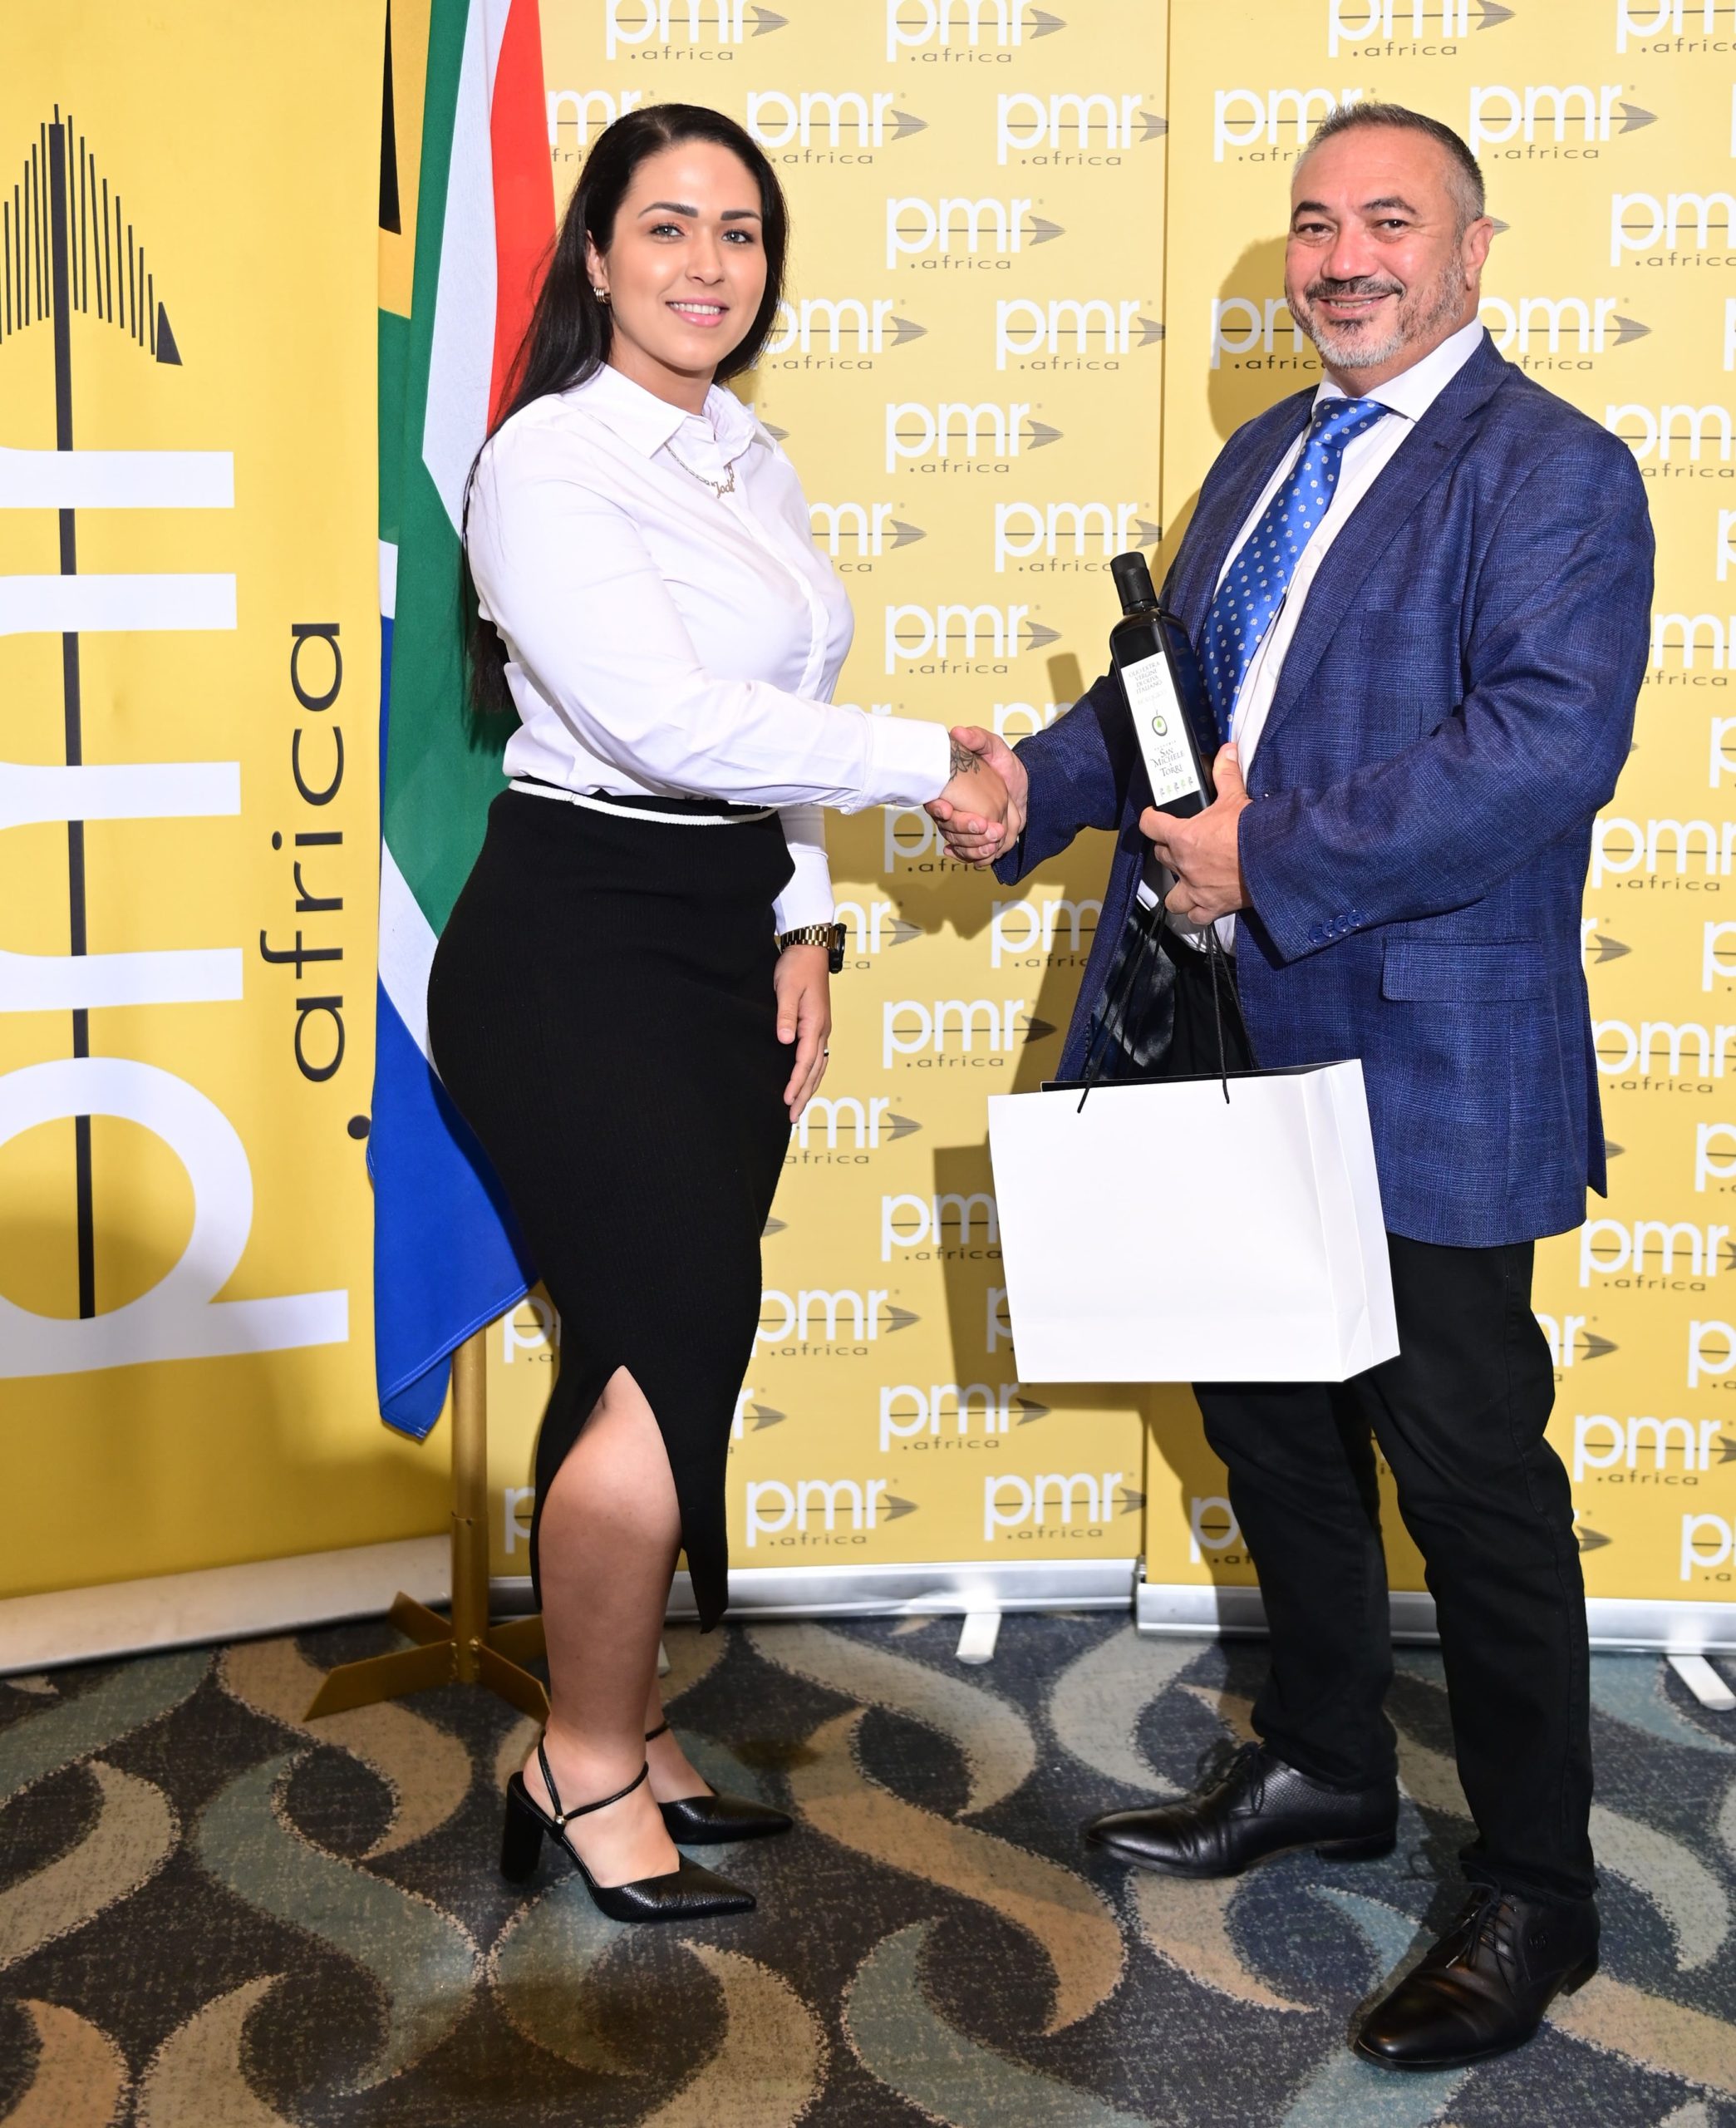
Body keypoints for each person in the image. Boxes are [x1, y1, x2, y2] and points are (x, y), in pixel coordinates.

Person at [933, 101, 1650, 2067]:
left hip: (1421, 1047)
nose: (1343, 259)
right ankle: (1329, 1758)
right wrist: (1026, 790)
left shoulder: (1557, 472)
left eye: (1387, 222)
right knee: (1269, 1425)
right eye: (1315, 223)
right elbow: (1166, 701)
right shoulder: (1263, 456)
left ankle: (1539, 1887)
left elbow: (1541, 746)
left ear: (1471, 251)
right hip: (1218, 1024)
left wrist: (1275, 856)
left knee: (1470, 1477)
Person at [426, 104, 1007, 1925]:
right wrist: (931, 761)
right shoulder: (547, 457)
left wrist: (803, 917)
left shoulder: (748, 454)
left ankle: (625, 1717)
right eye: (666, 225)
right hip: (575, 938)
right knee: (661, 1338)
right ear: (595, 254)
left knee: (651, 1338)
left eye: (739, 230)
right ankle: (582, 1762)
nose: (706, 263)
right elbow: (663, 721)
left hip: (712, 928)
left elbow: (771, 727)